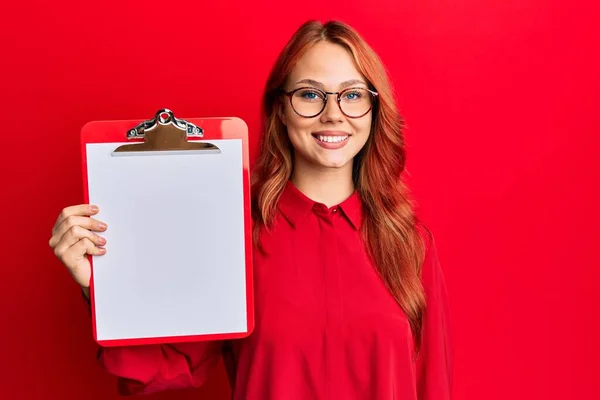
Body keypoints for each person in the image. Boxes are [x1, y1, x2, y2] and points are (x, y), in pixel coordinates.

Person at [49, 20, 453, 400]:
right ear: (279, 108)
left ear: (373, 108)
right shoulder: (234, 234)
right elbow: (165, 369)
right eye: (310, 94)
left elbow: (434, 385)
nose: (334, 113)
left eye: (352, 95)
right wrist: (100, 286)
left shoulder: (409, 242)